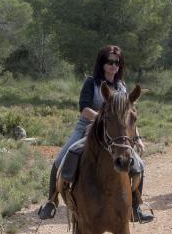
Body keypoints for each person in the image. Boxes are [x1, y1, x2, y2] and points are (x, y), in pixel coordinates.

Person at [37, 45, 154, 223]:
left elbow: (126, 117)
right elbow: (84, 109)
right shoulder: (91, 82)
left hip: (116, 134)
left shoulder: (122, 87)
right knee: (62, 158)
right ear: (102, 63)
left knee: (139, 165)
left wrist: (137, 138)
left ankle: (135, 207)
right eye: (110, 61)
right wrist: (103, 119)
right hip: (87, 128)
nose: (114, 65)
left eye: (117, 62)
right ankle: (51, 201)